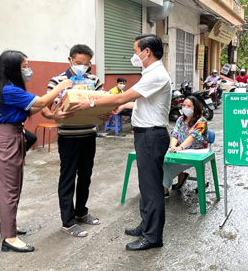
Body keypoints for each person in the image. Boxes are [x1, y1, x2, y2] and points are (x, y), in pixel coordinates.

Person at [68, 34, 172, 251]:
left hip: (151, 135)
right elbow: (142, 104)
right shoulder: (150, 73)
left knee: (152, 188)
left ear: (147, 52)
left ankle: (153, 237)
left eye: (136, 51)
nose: (134, 55)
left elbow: (120, 97)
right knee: (146, 185)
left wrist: (91, 103)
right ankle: (146, 225)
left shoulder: (156, 74)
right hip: (146, 133)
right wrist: (124, 107)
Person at [0, 50, 74, 252]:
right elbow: (41, 102)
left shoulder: (9, 89)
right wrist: (60, 87)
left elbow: (32, 108)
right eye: (24, 66)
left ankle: (6, 226)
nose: (28, 70)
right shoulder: (9, 90)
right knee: (9, 190)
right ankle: (9, 238)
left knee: (13, 187)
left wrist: (53, 111)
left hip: (13, 137)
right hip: (7, 140)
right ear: (13, 68)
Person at [41, 44, 103, 238]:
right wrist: (54, 117)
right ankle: (67, 222)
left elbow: (103, 102)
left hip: (89, 134)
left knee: (85, 175)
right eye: (78, 63)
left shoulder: (94, 80)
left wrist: (104, 115)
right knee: (68, 176)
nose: (82, 67)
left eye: (86, 64)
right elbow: (44, 107)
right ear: (70, 60)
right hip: (68, 136)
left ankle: (81, 211)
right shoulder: (58, 81)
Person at [163, 97, 208, 198]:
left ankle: (164, 188)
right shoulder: (180, 119)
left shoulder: (201, 120)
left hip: (196, 152)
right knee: (164, 160)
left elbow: (192, 136)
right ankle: (167, 186)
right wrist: (173, 147)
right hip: (181, 151)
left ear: (195, 107)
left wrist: (180, 147)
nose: (185, 107)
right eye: (183, 105)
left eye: (189, 106)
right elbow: (175, 135)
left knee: (168, 165)